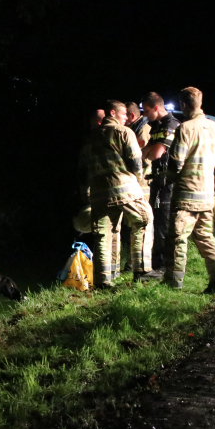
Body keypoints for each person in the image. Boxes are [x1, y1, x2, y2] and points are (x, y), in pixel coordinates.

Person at [162, 87, 215, 293]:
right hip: (207, 197)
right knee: (206, 238)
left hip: (185, 197)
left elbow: (175, 163)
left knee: (177, 240)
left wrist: (167, 179)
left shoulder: (185, 128)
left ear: (183, 105)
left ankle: (173, 285)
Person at [86, 100, 159, 288]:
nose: (127, 117)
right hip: (124, 189)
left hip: (99, 193)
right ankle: (141, 271)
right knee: (144, 220)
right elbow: (136, 163)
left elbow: (83, 167)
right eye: (124, 113)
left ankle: (105, 279)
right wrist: (137, 177)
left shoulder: (92, 137)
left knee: (105, 234)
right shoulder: (124, 132)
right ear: (113, 113)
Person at [141, 92, 181, 272]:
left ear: (156, 108)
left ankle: (165, 262)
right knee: (156, 221)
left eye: (147, 110)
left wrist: (149, 151)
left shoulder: (170, 125)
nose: (145, 114)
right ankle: (158, 258)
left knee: (164, 222)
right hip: (158, 181)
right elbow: (145, 151)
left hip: (167, 183)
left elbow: (156, 153)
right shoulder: (157, 127)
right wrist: (149, 151)